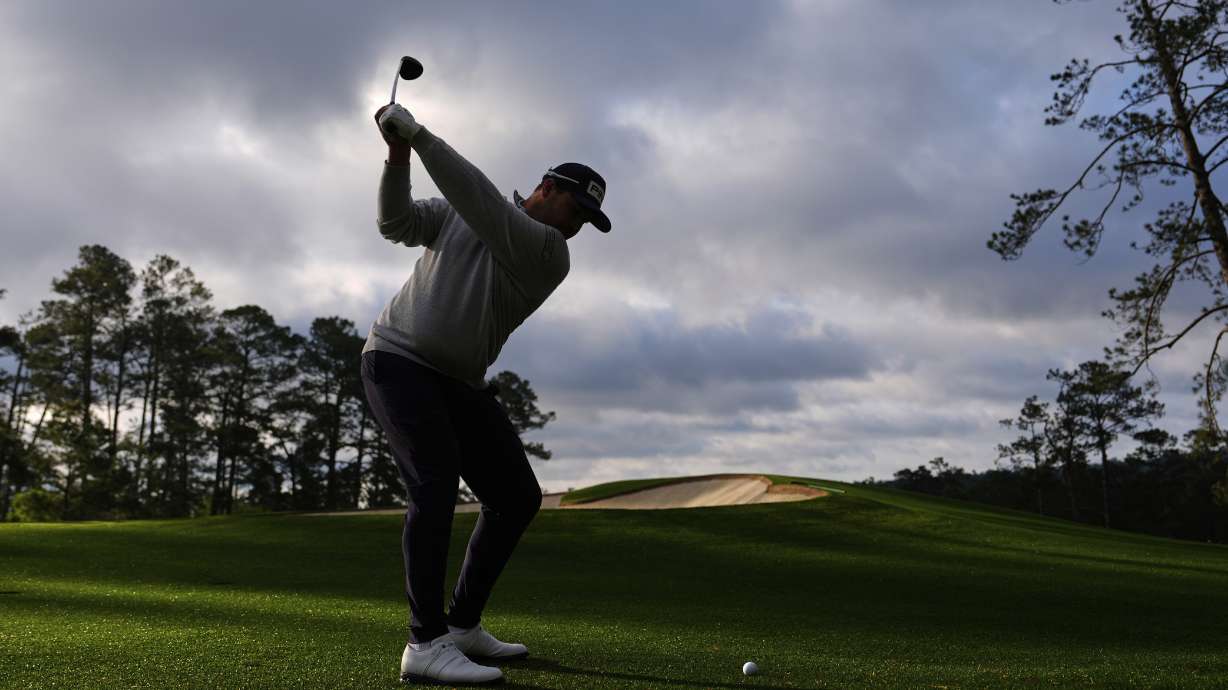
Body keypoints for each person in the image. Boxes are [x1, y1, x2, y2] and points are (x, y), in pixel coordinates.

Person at [360, 102, 611, 685]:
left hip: (458, 381)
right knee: (435, 480)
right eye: (578, 208)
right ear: (548, 188)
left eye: (588, 219)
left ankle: (462, 625)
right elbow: (394, 224)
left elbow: (480, 201)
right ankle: (424, 644)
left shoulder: (550, 253)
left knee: (516, 496)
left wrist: (418, 135)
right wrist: (398, 157)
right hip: (396, 359)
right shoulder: (466, 212)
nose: (578, 225)